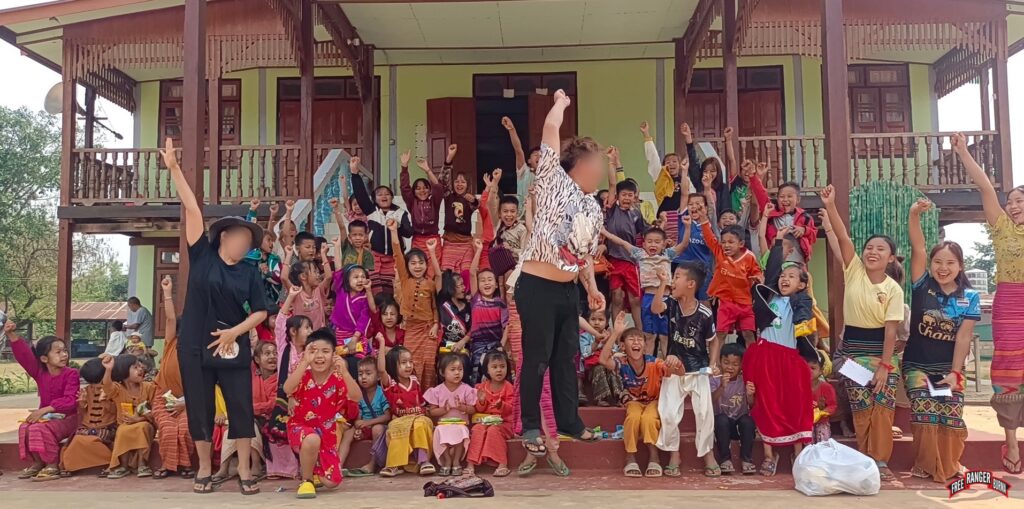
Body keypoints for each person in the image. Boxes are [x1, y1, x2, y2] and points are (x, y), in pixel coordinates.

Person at [160, 138, 269, 495]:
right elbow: (192, 209)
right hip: (194, 344)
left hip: (231, 346)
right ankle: (205, 467)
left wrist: (233, 333)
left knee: (240, 408)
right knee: (201, 408)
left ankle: (246, 471)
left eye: (248, 243)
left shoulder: (250, 273)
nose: (244, 245)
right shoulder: (203, 255)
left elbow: (261, 313)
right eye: (240, 238)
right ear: (224, 236)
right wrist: (175, 168)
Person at [515, 89, 605, 464]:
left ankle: (569, 420)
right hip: (536, 287)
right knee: (537, 358)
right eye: (597, 162)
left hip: (568, 291)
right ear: (579, 163)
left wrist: (593, 288)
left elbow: (582, 253)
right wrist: (561, 103)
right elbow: (550, 129)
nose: (602, 168)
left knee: (565, 359)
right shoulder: (554, 178)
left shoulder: (592, 203)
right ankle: (531, 425)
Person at [820, 183, 905, 482]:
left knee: (883, 400)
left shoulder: (893, 289)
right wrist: (831, 205)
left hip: (881, 355)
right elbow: (843, 236)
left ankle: (879, 459)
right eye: (870, 247)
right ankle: (866, 455)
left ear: (891, 258)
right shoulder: (853, 269)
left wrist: (884, 366)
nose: (872, 252)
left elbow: (891, 332)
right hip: (850, 355)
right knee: (862, 399)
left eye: (880, 249)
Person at [955, 133, 1024, 474]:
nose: (1013, 206)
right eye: (1010, 201)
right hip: (1010, 303)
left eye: (1019, 201)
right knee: (1008, 369)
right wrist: (964, 153)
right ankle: (1010, 443)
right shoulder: (1002, 229)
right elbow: (984, 187)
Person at [903, 198, 979, 481]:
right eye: (938, 262)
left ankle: (949, 465)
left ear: (960, 266)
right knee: (926, 410)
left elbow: (963, 338)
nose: (943, 268)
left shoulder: (969, 298)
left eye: (950, 263)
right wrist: (914, 215)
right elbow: (918, 247)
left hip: (948, 369)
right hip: (917, 366)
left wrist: (955, 374)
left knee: (950, 415)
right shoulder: (922, 285)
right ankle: (924, 465)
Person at [744, 228, 816, 476]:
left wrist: (805, 325)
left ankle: (799, 453)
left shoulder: (801, 301)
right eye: (783, 276)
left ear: (802, 284)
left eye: (792, 276)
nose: (785, 279)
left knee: (794, 405)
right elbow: (772, 271)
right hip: (765, 357)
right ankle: (768, 454)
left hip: (789, 358)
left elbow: (806, 314)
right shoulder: (770, 296)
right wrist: (777, 243)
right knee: (766, 404)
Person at [652, 263, 719, 477]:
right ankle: (674, 454)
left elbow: (714, 341)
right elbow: (655, 309)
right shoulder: (671, 303)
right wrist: (662, 283)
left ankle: (708, 454)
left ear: (691, 284)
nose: (674, 279)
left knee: (705, 413)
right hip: (673, 367)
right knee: (669, 412)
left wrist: (714, 362)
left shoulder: (705, 313)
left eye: (677, 276)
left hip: (698, 369)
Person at [283, 328, 361, 498]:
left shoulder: (338, 378)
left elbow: (356, 396)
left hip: (327, 433)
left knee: (332, 482)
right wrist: (303, 363)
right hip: (300, 427)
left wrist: (346, 373)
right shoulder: (303, 373)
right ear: (306, 353)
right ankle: (307, 481)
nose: (319, 356)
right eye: (313, 351)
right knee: (311, 439)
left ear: (334, 355)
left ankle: (315, 470)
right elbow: (287, 388)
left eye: (325, 351)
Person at [600, 315, 680, 478]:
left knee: (649, 419)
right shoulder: (621, 363)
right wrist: (615, 333)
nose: (636, 342)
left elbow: (679, 372)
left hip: (654, 401)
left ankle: (654, 457)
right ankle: (630, 457)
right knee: (634, 417)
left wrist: (675, 361)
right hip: (633, 402)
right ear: (623, 346)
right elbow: (603, 359)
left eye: (639, 340)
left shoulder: (654, 363)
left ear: (645, 346)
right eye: (631, 339)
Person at [604, 222, 692, 357]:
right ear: (643, 244)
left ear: (663, 244)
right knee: (649, 335)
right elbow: (622, 242)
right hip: (648, 298)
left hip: (666, 299)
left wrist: (687, 227)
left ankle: (665, 364)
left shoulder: (668, 254)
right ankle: (649, 364)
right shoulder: (640, 254)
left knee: (665, 335)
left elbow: (684, 244)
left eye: (657, 242)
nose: (653, 245)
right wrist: (604, 232)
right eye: (649, 241)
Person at [6, 322, 78, 482]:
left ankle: (52, 465)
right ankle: (38, 463)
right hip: (48, 418)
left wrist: (45, 410)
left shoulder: (71, 373)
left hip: (69, 418)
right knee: (25, 427)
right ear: (44, 358)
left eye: (64, 351)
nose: (64, 355)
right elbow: (25, 357)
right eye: (58, 352)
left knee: (39, 428)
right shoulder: (40, 372)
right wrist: (12, 335)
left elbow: (71, 400)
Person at [350, 155, 414, 294]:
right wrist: (355, 174)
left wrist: (398, 227)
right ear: (374, 199)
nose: (384, 196)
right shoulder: (372, 212)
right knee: (374, 291)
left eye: (387, 194)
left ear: (392, 197)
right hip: (374, 257)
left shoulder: (400, 213)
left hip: (394, 258)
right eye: (379, 194)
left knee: (393, 291)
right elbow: (360, 194)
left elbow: (409, 233)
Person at [151, 276, 194, 479]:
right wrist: (167, 293)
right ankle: (167, 466)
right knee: (168, 429)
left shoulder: (199, 350)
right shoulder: (171, 342)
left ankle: (185, 465)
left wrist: (184, 402)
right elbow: (169, 318)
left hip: (190, 400)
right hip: (163, 396)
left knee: (184, 428)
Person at [390, 220, 442, 387]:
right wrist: (392, 231)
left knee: (428, 364)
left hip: (429, 329)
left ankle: (428, 399)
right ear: (407, 266)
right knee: (410, 362)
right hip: (411, 328)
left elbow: (435, 306)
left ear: (426, 265)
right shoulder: (405, 280)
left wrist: (435, 325)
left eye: (421, 263)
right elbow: (397, 253)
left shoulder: (430, 283)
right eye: (413, 263)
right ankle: (412, 396)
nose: (417, 266)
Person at [702, 211, 763, 348]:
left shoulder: (749, 257)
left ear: (741, 243)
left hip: (745, 303)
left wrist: (758, 278)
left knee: (748, 334)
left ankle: (752, 363)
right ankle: (715, 365)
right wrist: (703, 220)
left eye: (731, 242)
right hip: (726, 302)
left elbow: (757, 272)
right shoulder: (720, 252)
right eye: (723, 242)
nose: (726, 245)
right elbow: (709, 238)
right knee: (721, 334)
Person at [377, 338, 436, 477]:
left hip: (418, 419)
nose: (408, 365)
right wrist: (381, 344)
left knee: (421, 423)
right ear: (393, 365)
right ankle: (393, 465)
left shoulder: (415, 381)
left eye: (410, 361)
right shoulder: (390, 383)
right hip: (400, 420)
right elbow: (380, 369)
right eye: (403, 363)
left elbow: (421, 404)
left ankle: (424, 462)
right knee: (395, 426)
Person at [101, 354, 157, 479]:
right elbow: (107, 386)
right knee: (122, 430)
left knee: (142, 427)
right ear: (123, 370)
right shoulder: (118, 389)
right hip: (124, 424)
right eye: (136, 367)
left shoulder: (149, 387)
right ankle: (123, 466)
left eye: (141, 367)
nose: (141, 370)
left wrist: (140, 418)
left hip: (146, 423)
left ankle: (142, 464)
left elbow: (156, 411)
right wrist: (108, 369)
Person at [604, 176, 648, 331]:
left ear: (635, 196)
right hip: (614, 260)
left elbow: (645, 233)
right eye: (624, 195)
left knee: (635, 299)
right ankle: (617, 338)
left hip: (631, 261)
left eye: (630, 195)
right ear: (617, 196)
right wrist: (612, 162)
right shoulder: (611, 210)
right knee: (616, 297)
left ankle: (640, 333)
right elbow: (611, 183)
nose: (627, 198)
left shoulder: (636, 213)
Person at [60, 358, 117, 477]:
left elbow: (116, 411)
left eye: (99, 382)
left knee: (87, 439)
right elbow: (83, 413)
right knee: (76, 439)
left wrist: (106, 401)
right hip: (87, 427)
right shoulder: (86, 391)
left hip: (107, 428)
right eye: (92, 383)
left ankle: (111, 462)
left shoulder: (113, 389)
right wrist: (82, 403)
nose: (96, 386)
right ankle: (70, 465)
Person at [424, 354, 476, 476]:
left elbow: (472, 410)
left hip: (461, 424)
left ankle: (456, 461)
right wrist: (443, 410)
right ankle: (447, 461)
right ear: (442, 372)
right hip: (443, 425)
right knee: (438, 432)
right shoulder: (436, 390)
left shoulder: (467, 389)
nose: (457, 373)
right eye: (452, 370)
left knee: (461, 431)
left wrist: (461, 407)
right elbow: (432, 411)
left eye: (460, 369)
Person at [339, 355, 391, 477]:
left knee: (377, 428)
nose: (363, 377)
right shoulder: (359, 394)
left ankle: (372, 464)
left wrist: (368, 423)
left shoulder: (381, 392)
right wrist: (358, 427)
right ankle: (338, 465)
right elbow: (359, 416)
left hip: (380, 427)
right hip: (365, 427)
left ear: (378, 376)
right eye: (360, 374)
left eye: (368, 373)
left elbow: (387, 416)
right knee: (349, 432)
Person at [466, 351, 515, 477]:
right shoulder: (481, 387)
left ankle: (502, 463)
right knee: (477, 429)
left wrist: (501, 406)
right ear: (486, 370)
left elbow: (511, 409)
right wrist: (481, 401)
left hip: (504, 423)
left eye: (502, 367)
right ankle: (470, 464)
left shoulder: (509, 387)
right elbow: (479, 409)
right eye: (494, 367)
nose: (499, 370)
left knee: (493, 430)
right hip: (484, 421)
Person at [467, 239, 508, 385]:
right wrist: (478, 250)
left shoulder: (500, 303)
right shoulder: (476, 298)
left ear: (496, 284)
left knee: (494, 376)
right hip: (478, 344)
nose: (486, 283)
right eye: (482, 280)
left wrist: (501, 346)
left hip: (495, 344)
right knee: (476, 375)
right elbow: (472, 273)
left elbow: (507, 326)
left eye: (490, 280)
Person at [711, 344, 755, 476]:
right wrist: (722, 387)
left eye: (735, 364)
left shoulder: (744, 381)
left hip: (739, 423)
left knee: (748, 421)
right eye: (726, 363)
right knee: (721, 420)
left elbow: (752, 406)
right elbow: (711, 399)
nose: (730, 367)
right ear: (720, 362)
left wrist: (750, 395)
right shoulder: (715, 379)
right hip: (722, 425)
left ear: (741, 365)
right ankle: (725, 459)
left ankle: (746, 460)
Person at [400, 150, 446, 276]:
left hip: (433, 241)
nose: (422, 190)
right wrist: (404, 167)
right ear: (414, 192)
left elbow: (438, 188)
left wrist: (428, 170)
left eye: (425, 187)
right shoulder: (411, 202)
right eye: (418, 188)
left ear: (429, 190)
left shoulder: (434, 202)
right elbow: (404, 188)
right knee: (417, 272)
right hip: (418, 240)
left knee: (433, 272)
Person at [330, 263, 376, 376]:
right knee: (339, 362)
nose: (360, 280)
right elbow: (338, 270)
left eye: (363, 277)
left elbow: (365, 318)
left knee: (358, 363)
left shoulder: (364, 298)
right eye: (356, 277)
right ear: (346, 279)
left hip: (357, 335)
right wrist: (336, 247)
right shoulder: (341, 290)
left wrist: (354, 340)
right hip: (340, 333)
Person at [281, 241, 334, 330]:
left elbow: (328, 276)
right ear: (303, 276)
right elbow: (284, 278)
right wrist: (288, 255)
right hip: (302, 337)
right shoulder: (296, 292)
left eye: (317, 272)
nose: (318, 275)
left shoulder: (318, 290)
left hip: (318, 335)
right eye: (314, 272)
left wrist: (323, 254)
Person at [502, 116, 540, 220]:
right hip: (521, 220)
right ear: (529, 160)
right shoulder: (524, 173)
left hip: (540, 222)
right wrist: (511, 129)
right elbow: (518, 150)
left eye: (542, 155)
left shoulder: (548, 177)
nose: (539, 156)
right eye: (535, 154)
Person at [329, 199, 374, 275]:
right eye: (354, 235)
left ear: (366, 236)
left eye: (361, 235)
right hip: (345, 283)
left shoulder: (368, 254)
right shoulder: (346, 247)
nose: (357, 238)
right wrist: (336, 209)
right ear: (349, 237)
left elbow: (369, 274)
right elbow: (342, 228)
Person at [809, 355, 837, 443]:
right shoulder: (799, 387)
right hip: (805, 421)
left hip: (822, 420)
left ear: (821, 371)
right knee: (808, 437)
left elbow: (833, 405)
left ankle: (822, 454)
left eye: (813, 368)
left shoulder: (827, 387)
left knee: (823, 435)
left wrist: (823, 412)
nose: (808, 371)